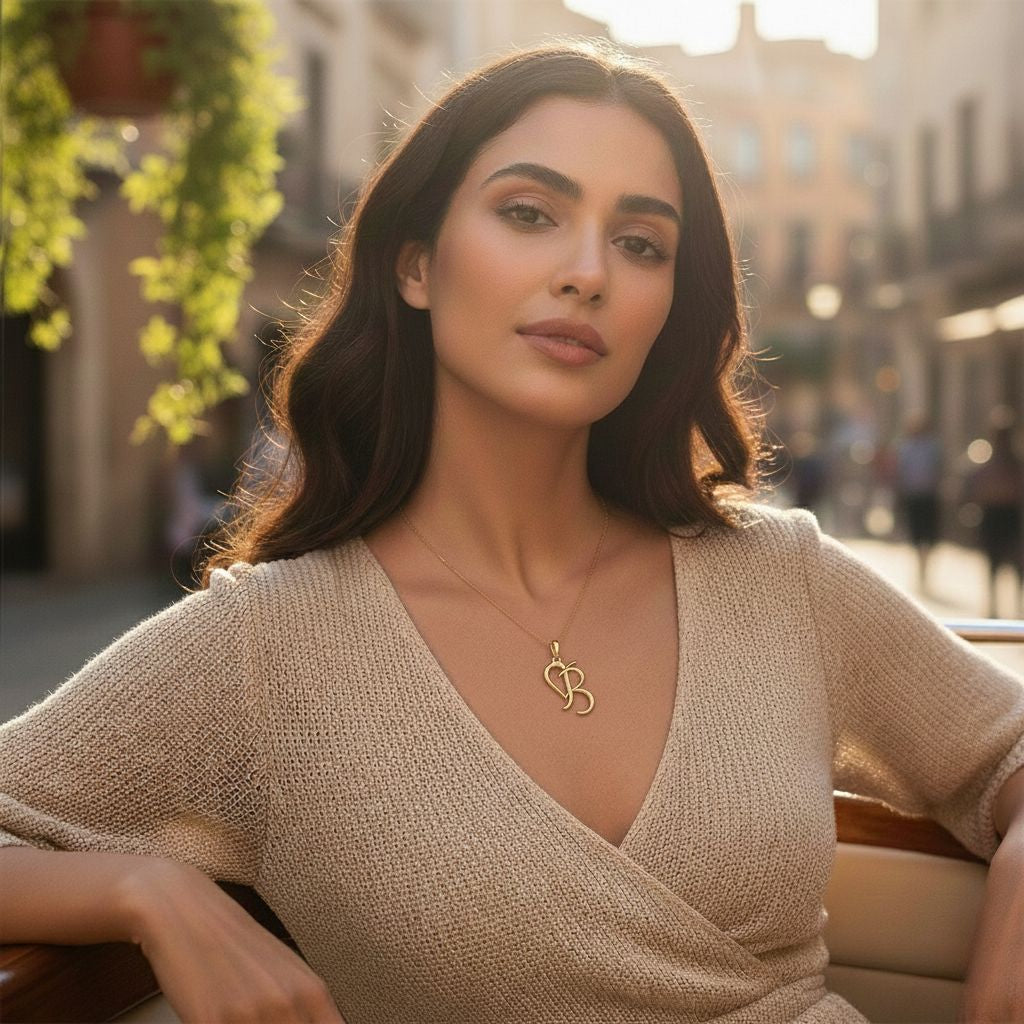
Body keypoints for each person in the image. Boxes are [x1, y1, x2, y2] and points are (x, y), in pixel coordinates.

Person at [2, 39, 1023, 1024]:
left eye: (640, 243)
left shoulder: (778, 577)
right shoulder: (265, 646)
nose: (588, 272)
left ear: (669, 304)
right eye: (529, 213)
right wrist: (148, 892)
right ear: (415, 265)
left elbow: (1005, 751)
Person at [970, 425, 1024, 618]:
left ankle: (1017, 602)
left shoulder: (1015, 464)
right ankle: (994, 603)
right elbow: (977, 486)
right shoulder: (987, 459)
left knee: (1017, 561)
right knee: (993, 560)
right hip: (993, 514)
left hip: (1009, 514)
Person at [893, 413, 943, 593]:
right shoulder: (906, 448)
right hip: (913, 496)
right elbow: (900, 473)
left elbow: (938, 470)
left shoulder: (932, 448)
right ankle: (919, 565)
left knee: (929, 534)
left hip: (928, 496)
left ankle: (926, 566)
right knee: (916, 534)